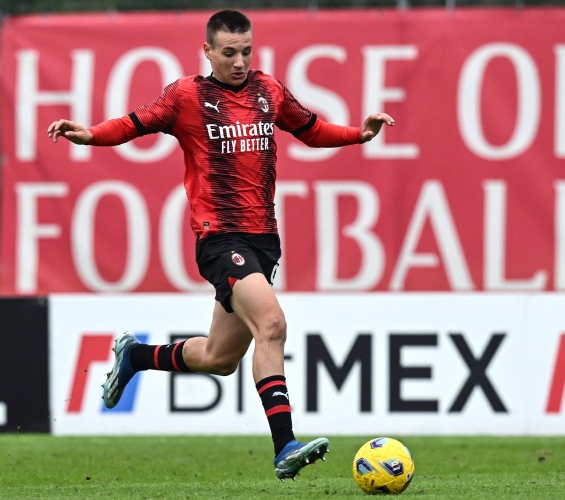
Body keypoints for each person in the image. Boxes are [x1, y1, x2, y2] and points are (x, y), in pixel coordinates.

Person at [47, 9, 394, 482]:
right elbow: (134, 123)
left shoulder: (268, 90)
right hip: (219, 238)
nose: (239, 61)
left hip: (263, 241)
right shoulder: (186, 96)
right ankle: (285, 446)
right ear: (207, 51)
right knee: (272, 324)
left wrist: (360, 134)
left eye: (246, 51)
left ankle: (137, 357)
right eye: (229, 52)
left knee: (220, 358)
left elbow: (310, 129)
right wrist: (90, 135)